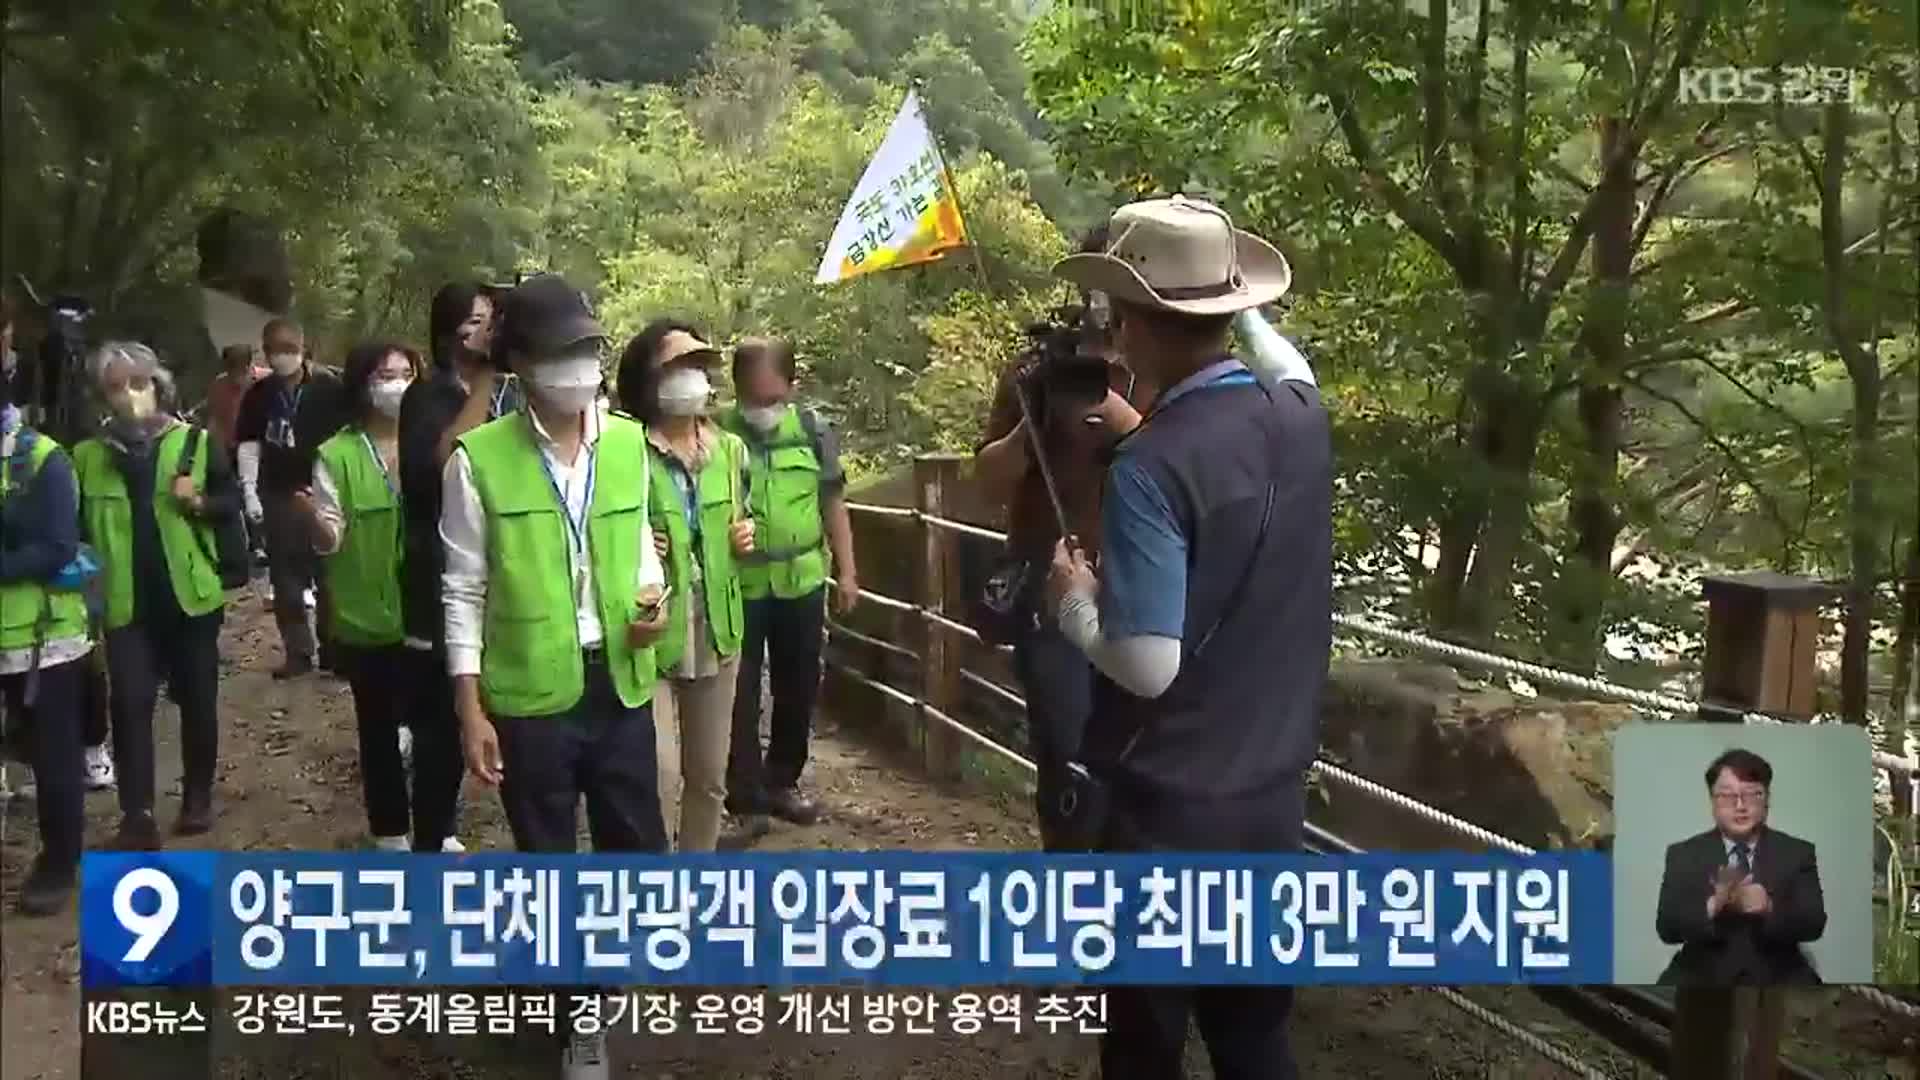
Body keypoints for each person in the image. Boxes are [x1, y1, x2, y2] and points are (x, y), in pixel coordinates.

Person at [1043, 195, 1328, 1080]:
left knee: (1143, 1041)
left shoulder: (1153, 465)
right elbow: (1285, 358)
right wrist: (1242, 309)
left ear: (1128, 325)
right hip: (1272, 796)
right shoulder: (1300, 416)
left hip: (1167, 809)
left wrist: (1074, 603)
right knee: (1252, 1033)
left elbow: (1148, 666)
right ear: (1228, 308)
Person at [441, 274, 669, 1079]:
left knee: (637, 852)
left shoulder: (632, 444)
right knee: (549, 856)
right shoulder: (479, 461)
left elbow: (640, 541)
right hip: (530, 691)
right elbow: (462, 588)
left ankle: (592, 978)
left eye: (589, 349)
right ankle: (580, 1018)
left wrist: (655, 601)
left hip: (620, 681)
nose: (582, 367)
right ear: (522, 366)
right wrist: (469, 708)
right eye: (562, 352)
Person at [973, 225, 1141, 850]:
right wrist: (1030, 429)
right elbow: (986, 479)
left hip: (1149, 588)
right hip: (1055, 592)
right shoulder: (1037, 367)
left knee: (1141, 764)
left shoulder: (1171, 365)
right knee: (1067, 759)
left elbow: (1200, 469)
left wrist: (1134, 428)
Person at [296, 342, 464, 852]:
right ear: (362, 384)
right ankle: (390, 827)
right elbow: (331, 537)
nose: (395, 383)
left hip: (429, 611)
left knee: (441, 729)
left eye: (405, 372)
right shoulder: (337, 454)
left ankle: (441, 826)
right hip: (367, 614)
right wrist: (314, 523)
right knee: (378, 727)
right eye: (383, 374)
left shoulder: (439, 443)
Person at [71, 342, 240, 846]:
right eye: (117, 387)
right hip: (125, 603)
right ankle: (137, 814)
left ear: (158, 385)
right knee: (129, 704)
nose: (130, 396)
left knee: (197, 700)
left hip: (190, 596)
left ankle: (198, 797)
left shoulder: (196, 443)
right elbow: (78, 532)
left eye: (139, 383)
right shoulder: (86, 458)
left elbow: (230, 502)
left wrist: (201, 502)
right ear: (103, 397)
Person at [615, 319, 755, 853]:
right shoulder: (624, 450)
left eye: (697, 365)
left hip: (719, 625)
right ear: (648, 379)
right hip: (651, 631)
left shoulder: (732, 451)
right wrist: (634, 544)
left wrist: (747, 537)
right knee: (659, 777)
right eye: (676, 366)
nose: (691, 377)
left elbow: (745, 522)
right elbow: (598, 527)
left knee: (709, 777)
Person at [395, 282, 522, 853]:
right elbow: (446, 462)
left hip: (503, 575)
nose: (489, 331)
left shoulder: (517, 396)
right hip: (438, 576)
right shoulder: (427, 396)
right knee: (439, 726)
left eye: (493, 320)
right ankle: (432, 837)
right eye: (478, 321)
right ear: (451, 333)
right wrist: (488, 380)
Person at [716, 337, 858, 842]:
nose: (764, 410)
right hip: (741, 583)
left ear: (792, 389)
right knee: (738, 691)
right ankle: (743, 795)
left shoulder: (813, 432)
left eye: (773, 398)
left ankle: (783, 782)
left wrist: (848, 572)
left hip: (802, 580)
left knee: (799, 685)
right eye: (754, 399)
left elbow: (833, 502)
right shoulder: (716, 435)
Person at [0, 351, 94, 913]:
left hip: (41, 639)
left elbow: (58, 545)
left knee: (52, 754)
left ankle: (59, 862)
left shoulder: (40, 459)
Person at [235, 317, 349, 679]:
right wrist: (249, 490)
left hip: (323, 490)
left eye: (288, 348)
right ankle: (298, 653)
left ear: (303, 347)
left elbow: (348, 438)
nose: (281, 356)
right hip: (279, 492)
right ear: (265, 352)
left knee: (330, 575)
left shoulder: (330, 387)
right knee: (286, 579)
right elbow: (249, 443)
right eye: (274, 350)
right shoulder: (259, 394)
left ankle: (336, 651)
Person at [1655, 748, 1826, 986]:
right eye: (1727, 796)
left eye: (1751, 795)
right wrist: (1713, 905)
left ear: (1767, 800)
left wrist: (1769, 907)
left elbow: (1814, 923)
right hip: (1701, 975)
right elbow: (1666, 928)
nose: (1740, 805)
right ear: (1712, 802)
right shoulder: (1683, 854)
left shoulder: (1798, 852)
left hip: (1780, 975)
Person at [205, 344, 265, 456]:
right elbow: (216, 420)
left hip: (260, 449)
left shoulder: (268, 380)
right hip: (230, 449)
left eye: (236, 370)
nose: (232, 377)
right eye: (229, 371)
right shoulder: (219, 385)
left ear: (248, 366)